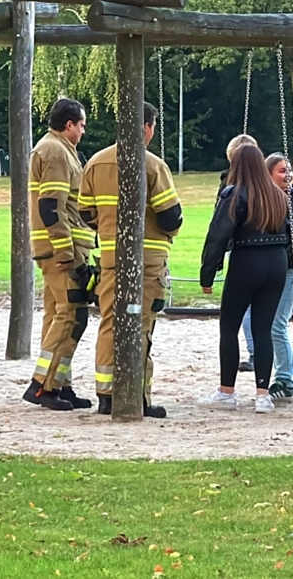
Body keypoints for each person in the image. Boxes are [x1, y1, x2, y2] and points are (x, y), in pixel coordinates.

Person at [78, 102, 182, 418]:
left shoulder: (95, 163)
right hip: (148, 261)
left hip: (110, 258)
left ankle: (106, 394)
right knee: (141, 323)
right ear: (147, 127)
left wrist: (108, 231)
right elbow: (170, 217)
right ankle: (137, 395)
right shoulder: (153, 166)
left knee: (110, 321)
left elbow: (85, 212)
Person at [200, 144, 290, 413]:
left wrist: (208, 272)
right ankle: (263, 394)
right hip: (276, 261)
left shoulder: (234, 194)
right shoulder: (278, 195)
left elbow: (218, 235)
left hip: (246, 260)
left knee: (229, 326)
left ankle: (227, 391)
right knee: (263, 328)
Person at [22, 98, 97, 411]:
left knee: (59, 315)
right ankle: (43, 385)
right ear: (69, 124)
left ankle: (59, 383)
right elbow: (51, 205)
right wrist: (67, 252)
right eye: (80, 125)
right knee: (69, 315)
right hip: (62, 252)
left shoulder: (58, 149)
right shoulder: (54, 151)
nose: (82, 131)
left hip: (59, 249)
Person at [239, 153, 293, 398]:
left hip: (289, 270)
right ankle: (277, 372)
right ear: (268, 175)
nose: (288, 175)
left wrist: (277, 258)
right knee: (266, 324)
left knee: (276, 325)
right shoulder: (263, 201)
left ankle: (286, 379)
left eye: (289, 170)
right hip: (269, 271)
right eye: (282, 171)